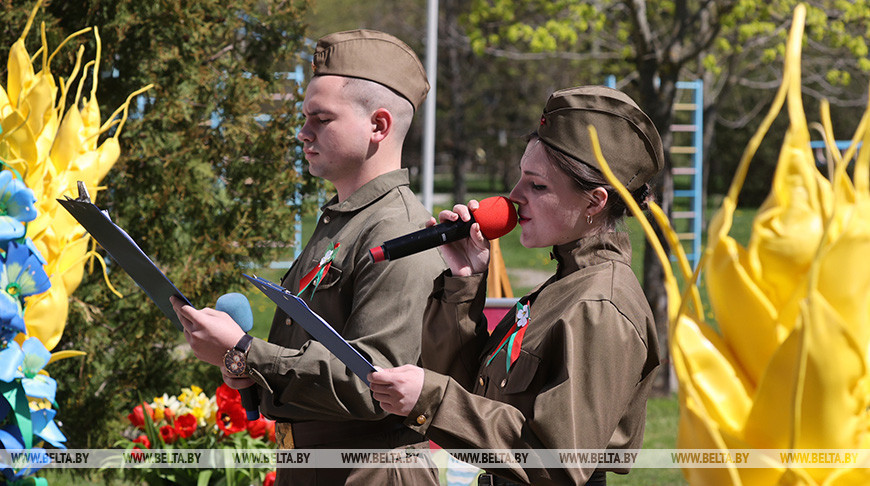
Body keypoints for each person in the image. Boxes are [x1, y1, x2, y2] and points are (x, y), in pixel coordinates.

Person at [172, 29, 445, 485]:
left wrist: (245, 351)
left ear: (378, 126)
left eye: (321, 118)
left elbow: (373, 384)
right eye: (305, 117)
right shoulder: (346, 220)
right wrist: (247, 368)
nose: (303, 133)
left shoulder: (398, 231)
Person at [368, 86, 664, 485]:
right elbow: (474, 393)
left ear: (594, 202)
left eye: (538, 186)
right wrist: (464, 283)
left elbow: (557, 463)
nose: (514, 197)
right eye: (520, 178)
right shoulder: (565, 287)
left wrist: (431, 398)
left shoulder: (600, 305)